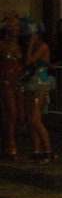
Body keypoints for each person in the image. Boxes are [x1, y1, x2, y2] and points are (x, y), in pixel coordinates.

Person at [21, 18, 55, 164]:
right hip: (30, 84)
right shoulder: (31, 46)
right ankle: (36, 151)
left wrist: (31, 45)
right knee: (30, 120)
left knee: (36, 120)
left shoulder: (42, 46)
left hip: (40, 85)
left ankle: (48, 151)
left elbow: (29, 61)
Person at [0, 13, 24, 160]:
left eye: (17, 25)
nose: (15, 28)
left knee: (20, 116)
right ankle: (10, 145)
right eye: (12, 25)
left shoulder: (21, 43)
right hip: (5, 81)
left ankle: (7, 140)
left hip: (18, 81)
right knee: (11, 114)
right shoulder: (2, 43)